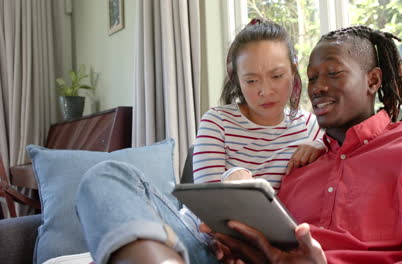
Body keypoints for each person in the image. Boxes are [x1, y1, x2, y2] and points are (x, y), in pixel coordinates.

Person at [209, 25, 402, 263]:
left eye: (334, 74)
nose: (318, 87)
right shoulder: (298, 170)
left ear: (373, 80)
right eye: (312, 78)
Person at [75, 19, 324, 264]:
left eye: (277, 76)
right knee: (107, 174)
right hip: (200, 242)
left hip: (265, 254)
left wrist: (323, 145)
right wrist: (233, 178)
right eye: (251, 80)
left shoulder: (313, 128)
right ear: (235, 77)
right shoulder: (218, 121)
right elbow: (209, 212)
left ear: (293, 69)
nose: (265, 90)